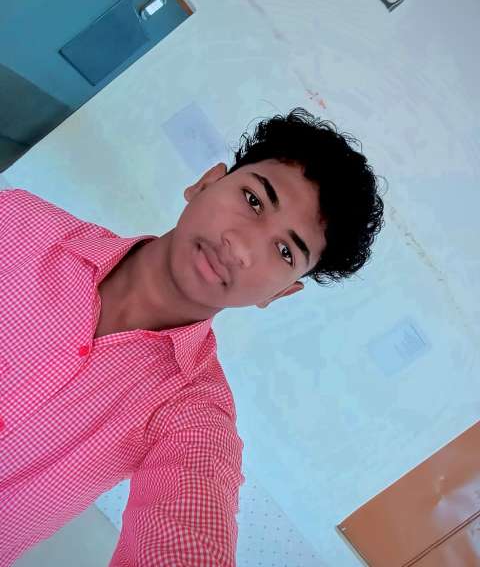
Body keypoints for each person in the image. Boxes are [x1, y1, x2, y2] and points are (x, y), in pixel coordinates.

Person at [0, 108, 386, 566]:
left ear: (281, 293)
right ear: (205, 183)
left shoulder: (195, 417)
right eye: (254, 200)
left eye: (285, 251)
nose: (241, 247)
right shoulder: (17, 223)